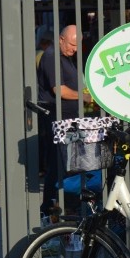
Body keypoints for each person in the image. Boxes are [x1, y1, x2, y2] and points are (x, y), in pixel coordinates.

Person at [37, 24, 91, 212]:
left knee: (63, 165)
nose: (74, 50)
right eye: (71, 45)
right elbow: (59, 90)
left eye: (77, 47)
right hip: (58, 119)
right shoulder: (52, 56)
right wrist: (83, 96)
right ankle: (51, 207)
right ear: (61, 39)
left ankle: (59, 205)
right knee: (59, 165)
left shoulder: (64, 56)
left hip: (67, 119)